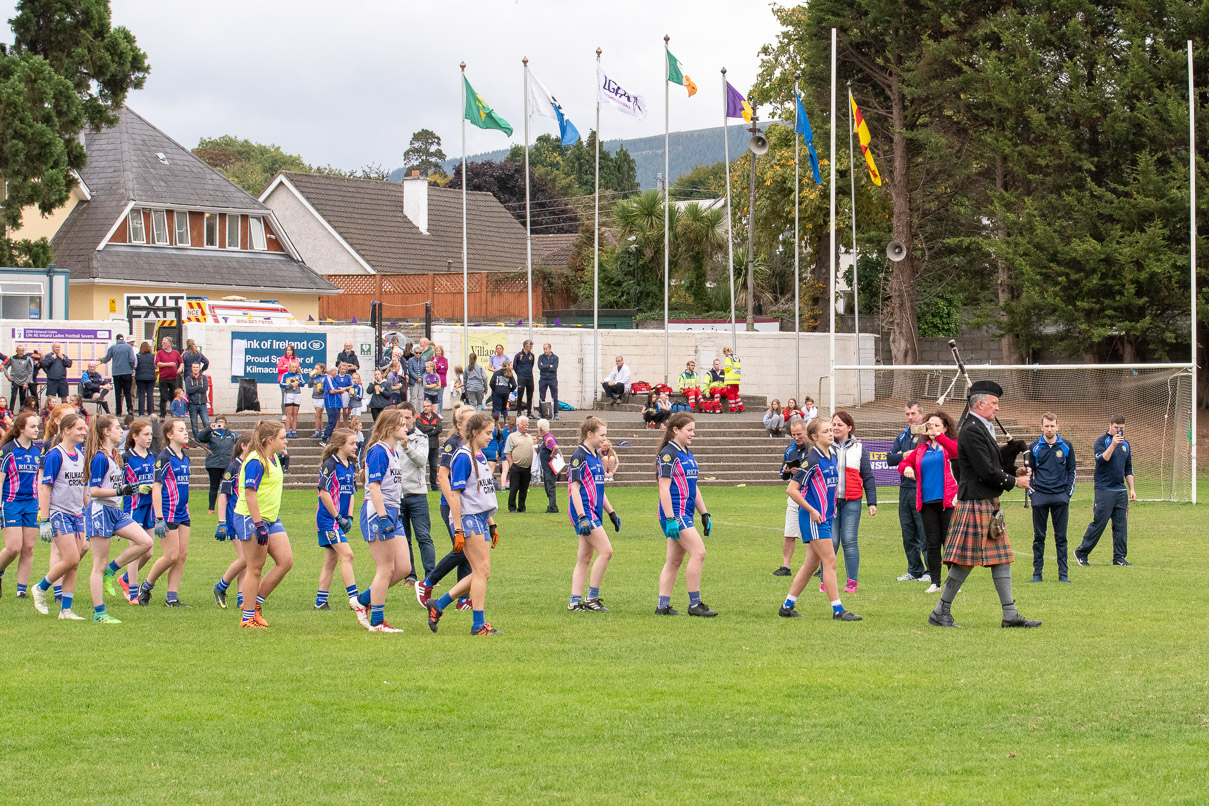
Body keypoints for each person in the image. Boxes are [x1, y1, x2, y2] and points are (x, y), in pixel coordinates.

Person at [928, 381, 1039, 629]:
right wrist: (1015, 481)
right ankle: (941, 611)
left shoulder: (982, 427)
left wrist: (1014, 469)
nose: (997, 408)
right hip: (976, 501)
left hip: (987, 502)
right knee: (965, 561)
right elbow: (984, 470)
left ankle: (1009, 614)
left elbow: (993, 464)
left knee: (1000, 558)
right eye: (994, 403)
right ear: (980, 404)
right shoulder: (971, 430)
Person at [777, 417, 863, 622]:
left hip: (825, 517)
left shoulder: (831, 456)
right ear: (814, 437)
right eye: (825, 431)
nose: (831, 433)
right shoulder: (812, 460)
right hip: (814, 520)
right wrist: (812, 510)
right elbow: (792, 489)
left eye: (831, 430)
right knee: (830, 561)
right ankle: (838, 610)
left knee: (811, 565)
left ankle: (787, 605)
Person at [426, 412, 501, 636]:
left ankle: (438, 605)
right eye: (488, 433)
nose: (491, 437)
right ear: (475, 432)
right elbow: (456, 495)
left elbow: (481, 495)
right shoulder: (463, 456)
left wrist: (491, 521)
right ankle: (478, 625)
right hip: (468, 518)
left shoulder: (479, 456)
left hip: (478, 517)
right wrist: (458, 528)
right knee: (481, 571)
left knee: (482, 572)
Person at [83, 414, 154, 623]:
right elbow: (94, 491)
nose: (121, 431)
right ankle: (99, 613)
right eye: (117, 428)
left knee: (145, 542)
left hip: (115, 511)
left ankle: (112, 571)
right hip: (100, 511)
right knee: (99, 564)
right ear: (106, 432)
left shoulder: (113, 454)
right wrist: (123, 490)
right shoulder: (99, 458)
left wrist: (123, 491)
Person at [350, 409, 414, 632]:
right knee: (385, 568)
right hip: (379, 512)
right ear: (390, 427)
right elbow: (373, 486)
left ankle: (362, 601)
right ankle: (377, 621)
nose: (406, 427)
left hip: (392, 512)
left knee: (404, 568)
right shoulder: (378, 451)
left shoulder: (394, 451)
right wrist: (383, 515)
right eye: (402, 424)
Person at [232, 421, 293, 628]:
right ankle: (248, 617)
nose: (286, 441)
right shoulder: (255, 461)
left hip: (271, 518)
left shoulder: (273, 457)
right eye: (282, 438)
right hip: (251, 518)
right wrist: (258, 524)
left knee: (286, 561)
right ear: (269, 440)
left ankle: (254, 603)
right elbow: (249, 494)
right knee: (255, 568)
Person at [414, 404, 475, 611]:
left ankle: (463, 598)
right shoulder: (452, 444)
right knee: (462, 549)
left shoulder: (472, 445)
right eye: (470, 420)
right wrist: (452, 501)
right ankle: (427, 583)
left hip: (468, 506)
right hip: (451, 505)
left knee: (467, 552)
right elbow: (442, 475)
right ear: (459, 425)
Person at [654, 413, 715, 617]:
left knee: (673, 561)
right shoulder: (668, 454)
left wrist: (704, 513)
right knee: (699, 553)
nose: (692, 433)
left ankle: (663, 606)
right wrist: (670, 518)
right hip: (676, 513)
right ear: (675, 430)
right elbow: (664, 487)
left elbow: (693, 486)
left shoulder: (686, 452)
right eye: (689, 430)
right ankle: (695, 604)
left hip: (685, 513)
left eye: (693, 430)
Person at [30, 412, 89, 619]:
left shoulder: (80, 453)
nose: (85, 431)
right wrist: (44, 520)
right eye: (80, 428)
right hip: (59, 513)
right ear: (66, 430)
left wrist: (88, 511)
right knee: (71, 557)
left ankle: (66, 610)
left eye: (84, 428)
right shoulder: (55, 455)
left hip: (77, 514)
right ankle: (41, 587)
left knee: (75, 562)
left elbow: (82, 488)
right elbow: (45, 489)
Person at [898, 411, 958, 594]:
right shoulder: (922, 449)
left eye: (937, 425)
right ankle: (935, 581)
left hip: (948, 501)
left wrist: (939, 437)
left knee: (949, 543)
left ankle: (952, 582)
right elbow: (903, 463)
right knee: (931, 543)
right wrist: (907, 467)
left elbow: (955, 451)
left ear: (945, 428)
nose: (932, 428)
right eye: (929, 425)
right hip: (927, 502)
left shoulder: (948, 446)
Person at [137, 417, 192, 607]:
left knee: (181, 556)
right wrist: (159, 517)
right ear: (169, 435)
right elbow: (157, 487)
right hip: (167, 512)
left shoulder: (185, 458)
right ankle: (146, 586)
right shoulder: (164, 458)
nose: (185, 433)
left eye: (185, 429)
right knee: (171, 555)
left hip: (182, 512)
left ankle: (171, 597)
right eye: (180, 430)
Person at [566, 416, 619, 612]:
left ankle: (574, 601)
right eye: (602, 435)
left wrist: (611, 512)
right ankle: (592, 598)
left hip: (594, 512)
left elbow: (599, 489)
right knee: (606, 551)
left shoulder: (596, 456)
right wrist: (581, 516)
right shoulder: (579, 456)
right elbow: (574, 489)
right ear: (590, 434)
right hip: (585, 512)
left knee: (585, 557)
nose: (605, 439)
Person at [1075, 414, 1134, 567]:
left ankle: (1119, 557)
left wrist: (1132, 489)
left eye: (1121, 429)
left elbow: (1128, 468)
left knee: (1121, 524)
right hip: (1104, 488)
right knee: (1099, 522)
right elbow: (1102, 459)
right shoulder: (1102, 442)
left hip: (1120, 490)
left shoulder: (1126, 445)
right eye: (1116, 428)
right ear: (1110, 425)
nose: (1119, 431)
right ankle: (1082, 552)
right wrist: (1113, 445)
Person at [830, 411, 878, 593]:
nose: (835, 428)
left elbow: (868, 477)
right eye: (833, 424)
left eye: (839, 425)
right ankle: (825, 580)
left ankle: (852, 582)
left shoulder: (859, 448)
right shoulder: (825, 446)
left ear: (849, 428)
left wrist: (871, 502)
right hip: (831, 502)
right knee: (831, 542)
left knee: (849, 541)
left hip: (852, 502)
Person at [314, 428, 360, 612]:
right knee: (347, 555)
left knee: (331, 560)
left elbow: (351, 492)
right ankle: (354, 598)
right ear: (340, 445)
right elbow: (324, 493)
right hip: (327, 519)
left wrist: (349, 516)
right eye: (352, 443)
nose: (355, 446)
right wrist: (338, 517)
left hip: (339, 519)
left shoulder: (350, 464)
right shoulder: (329, 464)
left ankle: (320, 601)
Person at [1027, 413, 1077, 582]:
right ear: (1041, 427)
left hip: (1060, 497)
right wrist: (1031, 492)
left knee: (1061, 537)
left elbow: (1072, 471)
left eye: (1052, 426)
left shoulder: (1066, 446)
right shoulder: (1033, 447)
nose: (1049, 429)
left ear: (1058, 426)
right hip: (1040, 496)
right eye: (1046, 426)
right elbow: (1028, 472)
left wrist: (1067, 493)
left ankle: (1063, 574)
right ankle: (1037, 574)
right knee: (1039, 537)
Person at [1, 412, 42, 600]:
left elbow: (37, 480)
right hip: (11, 502)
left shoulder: (36, 452)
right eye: (33, 426)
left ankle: (21, 590)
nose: (37, 430)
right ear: (20, 428)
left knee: (29, 547)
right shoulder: (8, 450)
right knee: (14, 547)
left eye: (37, 426)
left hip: (31, 503)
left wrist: (41, 504)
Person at [888, 400, 929, 582]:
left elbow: (924, 456)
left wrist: (904, 456)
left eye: (913, 414)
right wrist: (904, 455)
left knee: (924, 532)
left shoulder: (927, 434)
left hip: (922, 488)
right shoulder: (902, 436)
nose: (910, 418)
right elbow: (890, 458)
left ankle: (930, 571)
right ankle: (914, 570)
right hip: (904, 489)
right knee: (908, 532)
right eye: (907, 414)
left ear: (921, 414)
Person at [210, 433, 252, 610]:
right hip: (236, 519)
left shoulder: (250, 466)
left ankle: (242, 597)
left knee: (247, 559)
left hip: (249, 518)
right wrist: (221, 522)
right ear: (243, 446)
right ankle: (221, 586)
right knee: (245, 558)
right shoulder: (233, 468)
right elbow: (223, 495)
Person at [117, 421, 157, 604]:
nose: (149, 438)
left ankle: (125, 579)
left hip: (150, 508)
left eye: (150, 434)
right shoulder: (125, 458)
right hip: (133, 508)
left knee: (148, 551)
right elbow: (117, 486)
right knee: (135, 550)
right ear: (134, 436)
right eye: (145, 434)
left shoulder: (153, 457)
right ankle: (133, 592)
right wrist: (136, 487)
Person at [395, 403, 434, 583]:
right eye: (401, 418)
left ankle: (431, 575)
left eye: (408, 418)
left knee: (424, 536)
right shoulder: (392, 439)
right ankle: (409, 575)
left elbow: (422, 460)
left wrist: (406, 447)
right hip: (398, 495)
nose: (405, 422)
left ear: (414, 417)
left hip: (417, 493)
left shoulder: (421, 437)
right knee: (404, 539)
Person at [773, 418, 811, 577]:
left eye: (799, 434)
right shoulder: (790, 450)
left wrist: (801, 472)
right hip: (795, 495)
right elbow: (782, 475)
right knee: (789, 532)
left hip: (811, 496)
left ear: (806, 431)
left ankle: (819, 566)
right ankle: (786, 566)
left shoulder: (814, 449)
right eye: (794, 435)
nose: (796, 437)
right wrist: (788, 470)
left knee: (814, 534)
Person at [196, 416, 239, 514]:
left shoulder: (231, 435)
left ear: (226, 423)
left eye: (222, 422)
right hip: (213, 464)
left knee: (228, 486)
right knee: (214, 486)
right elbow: (200, 437)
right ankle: (211, 508)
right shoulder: (211, 434)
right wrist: (209, 428)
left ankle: (230, 505)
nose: (220, 424)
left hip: (227, 464)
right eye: (218, 422)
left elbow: (240, 440)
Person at [99, 335, 136, 417]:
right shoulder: (128, 347)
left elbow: (106, 359)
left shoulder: (112, 348)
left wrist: (101, 360)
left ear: (116, 340)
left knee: (118, 393)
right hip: (127, 373)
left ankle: (118, 411)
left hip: (116, 373)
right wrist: (131, 367)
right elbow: (132, 359)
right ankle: (130, 409)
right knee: (127, 392)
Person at [505, 415, 535, 513]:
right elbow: (507, 452)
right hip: (516, 466)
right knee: (514, 488)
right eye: (524, 424)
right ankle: (512, 507)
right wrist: (511, 464)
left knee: (524, 488)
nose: (526, 426)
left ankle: (522, 506)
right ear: (518, 425)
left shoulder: (530, 437)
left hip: (527, 467)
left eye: (527, 425)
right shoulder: (512, 437)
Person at [537, 418, 562, 513]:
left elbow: (555, 447)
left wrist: (552, 454)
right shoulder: (546, 437)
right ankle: (551, 505)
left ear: (540, 429)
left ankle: (553, 506)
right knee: (548, 487)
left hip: (549, 468)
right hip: (546, 467)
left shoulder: (548, 438)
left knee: (550, 487)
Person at [417, 399, 441, 490]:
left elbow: (439, 429)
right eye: (424, 406)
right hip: (422, 445)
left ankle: (434, 486)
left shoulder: (436, 417)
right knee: (421, 466)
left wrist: (428, 433)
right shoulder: (419, 417)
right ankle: (421, 485)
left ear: (431, 407)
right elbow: (420, 428)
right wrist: (432, 428)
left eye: (427, 406)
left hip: (434, 445)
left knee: (434, 467)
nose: (425, 408)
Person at [155, 337, 183, 417]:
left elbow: (181, 362)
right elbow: (157, 363)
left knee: (173, 396)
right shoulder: (160, 353)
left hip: (173, 378)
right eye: (162, 342)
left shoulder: (176, 353)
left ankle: (173, 412)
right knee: (163, 396)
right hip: (163, 378)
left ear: (169, 344)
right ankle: (162, 413)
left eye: (164, 343)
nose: (162, 344)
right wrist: (168, 364)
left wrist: (180, 368)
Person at [5, 344, 37, 412]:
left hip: (24, 382)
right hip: (14, 380)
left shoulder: (27, 359)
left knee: (23, 398)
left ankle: (22, 412)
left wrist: (26, 382)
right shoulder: (12, 358)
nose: (21, 352)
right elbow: (5, 367)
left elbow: (30, 371)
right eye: (20, 350)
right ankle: (11, 412)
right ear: (16, 351)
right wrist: (7, 376)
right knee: (13, 397)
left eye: (22, 350)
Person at [183, 363, 209, 439]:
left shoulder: (203, 378)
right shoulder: (188, 379)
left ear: (199, 368)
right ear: (191, 368)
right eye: (194, 367)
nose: (195, 369)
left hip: (203, 404)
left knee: (206, 423)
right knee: (194, 425)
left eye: (197, 367)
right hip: (192, 404)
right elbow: (188, 390)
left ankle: (207, 439)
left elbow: (205, 389)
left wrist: (194, 388)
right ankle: (197, 441)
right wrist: (198, 387)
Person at [319, 365, 344, 447]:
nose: (336, 373)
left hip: (335, 403)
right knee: (332, 421)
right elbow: (332, 391)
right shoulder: (328, 379)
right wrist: (340, 391)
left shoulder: (332, 379)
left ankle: (329, 437)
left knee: (333, 422)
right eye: (335, 371)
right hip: (332, 403)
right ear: (331, 371)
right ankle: (324, 438)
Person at [280, 360, 305, 437]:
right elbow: (281, 384)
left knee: (295, 414)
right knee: (289, 414)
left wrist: (298, 383)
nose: (294, 368)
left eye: (295, 367)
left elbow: (303, 383)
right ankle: (287, 431)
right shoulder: (285, 375)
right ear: (289, 368)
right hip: (289, 395)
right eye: (293, 367)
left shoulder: (299, 375)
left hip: (297, 394)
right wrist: (290, 384)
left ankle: (294, 431)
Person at [512, 340, 536, 416]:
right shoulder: (518, 355)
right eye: (530, 346)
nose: (531, 347)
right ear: (525, 346)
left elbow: (532, 365)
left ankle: (529, 412)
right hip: (521, 378)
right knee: (520, 394)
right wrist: (519, 374)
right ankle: (519, 412)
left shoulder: (531, 355)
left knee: (530, 395)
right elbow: (515, 366)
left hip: (529, 377)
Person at [134, 342, 156, 416]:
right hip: (151, 377)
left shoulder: (138, 356)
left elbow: (135, 366)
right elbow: (155, 365)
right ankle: (151, 412)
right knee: (150, 394)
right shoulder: (153, 356)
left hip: (140, 377)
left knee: (141, 395)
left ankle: (141, 413)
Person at [537, 343, 559, 418]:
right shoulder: (541, 357)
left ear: (550, 349)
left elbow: (554, 368)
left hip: (552, 379)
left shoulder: (555, 358)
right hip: (543, 379)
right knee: (542, 396)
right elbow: (540, 367)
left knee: (554, 396)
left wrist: (545, 366)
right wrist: (549, 365)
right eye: (544, 349)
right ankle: (541, 412)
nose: (545, 350)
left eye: (546, 349)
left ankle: (555, 413)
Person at [721, 345, 744, 413]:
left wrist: (722, 369)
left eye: (724, 353)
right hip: (736, 379)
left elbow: (728, 368)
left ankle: (732, 409)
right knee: (735, 393)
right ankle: (741, 407)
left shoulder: (728, 357)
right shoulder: (736, 357)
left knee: (730, 394)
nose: (724, 354)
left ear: (726, 351)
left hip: (730, 379)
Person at [309, 363, 327, 437]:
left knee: (317, 414)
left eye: (317, 369)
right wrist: (311, 378)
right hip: (315, 397)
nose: (315, 370)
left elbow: (327, 387)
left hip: (322, 397)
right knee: (319, 415)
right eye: (315, 369)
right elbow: (309, 385)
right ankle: (321, 430)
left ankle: (316, 431)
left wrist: (321, 389)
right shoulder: (315, 377)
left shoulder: (326, 377)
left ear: (322, 369)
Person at [432, 345, 448, 415]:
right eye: (436, 351)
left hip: (441, 381)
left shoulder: (445, 360)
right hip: (432, 381)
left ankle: (439, 413)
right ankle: (433, 412)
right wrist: (439, 366)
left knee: (440, 397)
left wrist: (437, 366)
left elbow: (444, 370)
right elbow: (431, 369)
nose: (437, 352)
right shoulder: (432, 358)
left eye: (439, 351)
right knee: (433, 397)